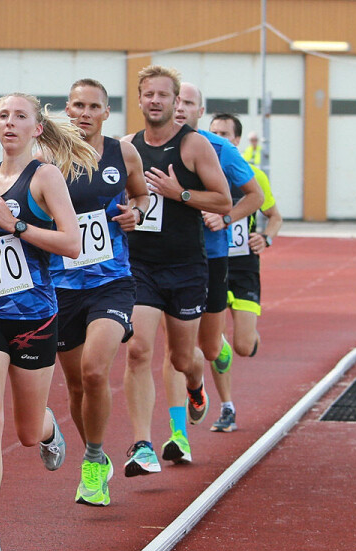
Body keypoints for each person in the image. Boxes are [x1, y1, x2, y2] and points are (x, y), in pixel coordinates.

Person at [0, 92, 96, 551]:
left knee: (27, 432)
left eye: (19, 116)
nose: (9, 123)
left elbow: (72, 243)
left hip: (34, 317)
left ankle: (49, 429)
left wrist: (17, 227)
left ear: (37, 128)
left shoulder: (46, 177)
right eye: (3, 115)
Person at [122, 65, 231, 477]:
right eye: (148, 94)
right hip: (140, 266)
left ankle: (196, 384)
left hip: (186, 268)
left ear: (174, 101)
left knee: (184, 357)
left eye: (163, 95)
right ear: (139, 99)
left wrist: (179, 193)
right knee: (138, 350)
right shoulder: (126, 147)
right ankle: (142, 444)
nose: (155, 101)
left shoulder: (193, 145)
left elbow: (223, 201)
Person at [51, 78, 148, 506]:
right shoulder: (46, 155)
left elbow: (141, 195)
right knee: (76, 386)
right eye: (78, 105)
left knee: (94, 372)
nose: (85, 113)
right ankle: (97, 452)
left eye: (94, 106)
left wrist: (135, 213)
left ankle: (92, 460)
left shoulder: (123, 153)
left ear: (107, 113)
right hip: (60, 284)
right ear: (67, 109)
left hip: (111, 281)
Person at [157, 82, 262, 465]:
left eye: (188, 103)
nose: (180, 108)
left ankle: (210, 362)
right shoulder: (145, 148)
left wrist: (226, 216)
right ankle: (178, 435)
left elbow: (256, 196)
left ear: (200, 112)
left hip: (212, 259)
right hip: (166, 260)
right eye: (177, 100)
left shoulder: (220, 149)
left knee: (209, 348)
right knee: (172, 351)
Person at [208, 112, 283, 433]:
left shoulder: (253, 176)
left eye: (224, 134)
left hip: (243, 267)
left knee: (243, 346)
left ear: (236, 140)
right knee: (215, 344)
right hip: (210, 263)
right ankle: (227, 406)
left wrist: (265, 237)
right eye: (213, 133)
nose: (218, 139)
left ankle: (245, 337)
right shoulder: (199, 171)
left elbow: (275, 216)